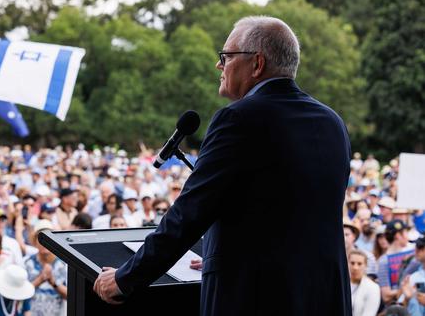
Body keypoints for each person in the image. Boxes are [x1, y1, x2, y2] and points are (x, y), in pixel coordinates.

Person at [94, 16, 352, 315]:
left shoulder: (239, 118)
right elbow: (289, 214)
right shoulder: (332, 122)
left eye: (227, 57)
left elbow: (190, 212)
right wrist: (230, 252)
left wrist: (126, 278)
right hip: (323, 296)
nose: (219, 65)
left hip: (257, 298)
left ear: (256, 64)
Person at [24, 220, 66, 316]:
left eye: (49, 238)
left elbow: (71, 296)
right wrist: (40, 279)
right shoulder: (27, 262)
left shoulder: (64, 264)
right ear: (34, 241)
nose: (45, 242)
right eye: (41, 238)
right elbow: (21, 293)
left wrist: (53, 282)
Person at [349, 249, 380, 316]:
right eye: (352, 263)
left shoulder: (373, 288)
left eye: (359, 264)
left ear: (366, 266)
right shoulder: (340, 284)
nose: (355, 267)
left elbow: (369, 313)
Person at [400, 237, 425, 315]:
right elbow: (400, 309)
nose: (416, 250)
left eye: (421, 247)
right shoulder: (413, 277)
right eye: (416, 247)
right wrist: (407, 298)